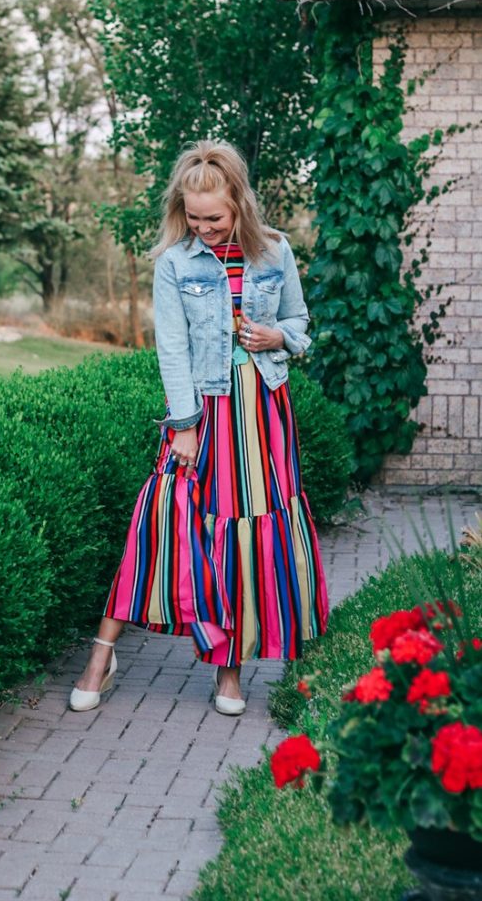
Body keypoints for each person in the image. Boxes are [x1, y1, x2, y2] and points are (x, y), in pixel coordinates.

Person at [69, 139, 328, 716]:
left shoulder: (276, 251)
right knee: (158, 519)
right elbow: (172, 350)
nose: (205, 227)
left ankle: (228, 673)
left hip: (263, 409)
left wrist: (278, 337)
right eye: (194, 217)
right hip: (202, 411)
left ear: (240, 203)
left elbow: (299, 321)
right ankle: (100, 658)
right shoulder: (174, 264)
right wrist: (184, 425)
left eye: (215, 217)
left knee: (244, 532)